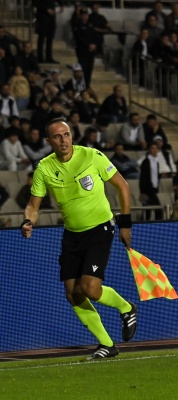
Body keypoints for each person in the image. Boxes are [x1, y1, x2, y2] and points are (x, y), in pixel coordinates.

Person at [20, 117, 138, 360]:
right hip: (72, 235)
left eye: (66, 134)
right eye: (57, 136)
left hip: (100, 229)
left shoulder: (92, 156)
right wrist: (28, 221)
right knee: (73, 293)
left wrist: (125, 224)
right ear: (48, 141)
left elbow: (123, 186)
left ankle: (126, 308)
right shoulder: (44, 167)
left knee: (90, 289)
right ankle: (107, 345)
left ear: (72, 135)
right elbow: (33, 205)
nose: (63, 140)